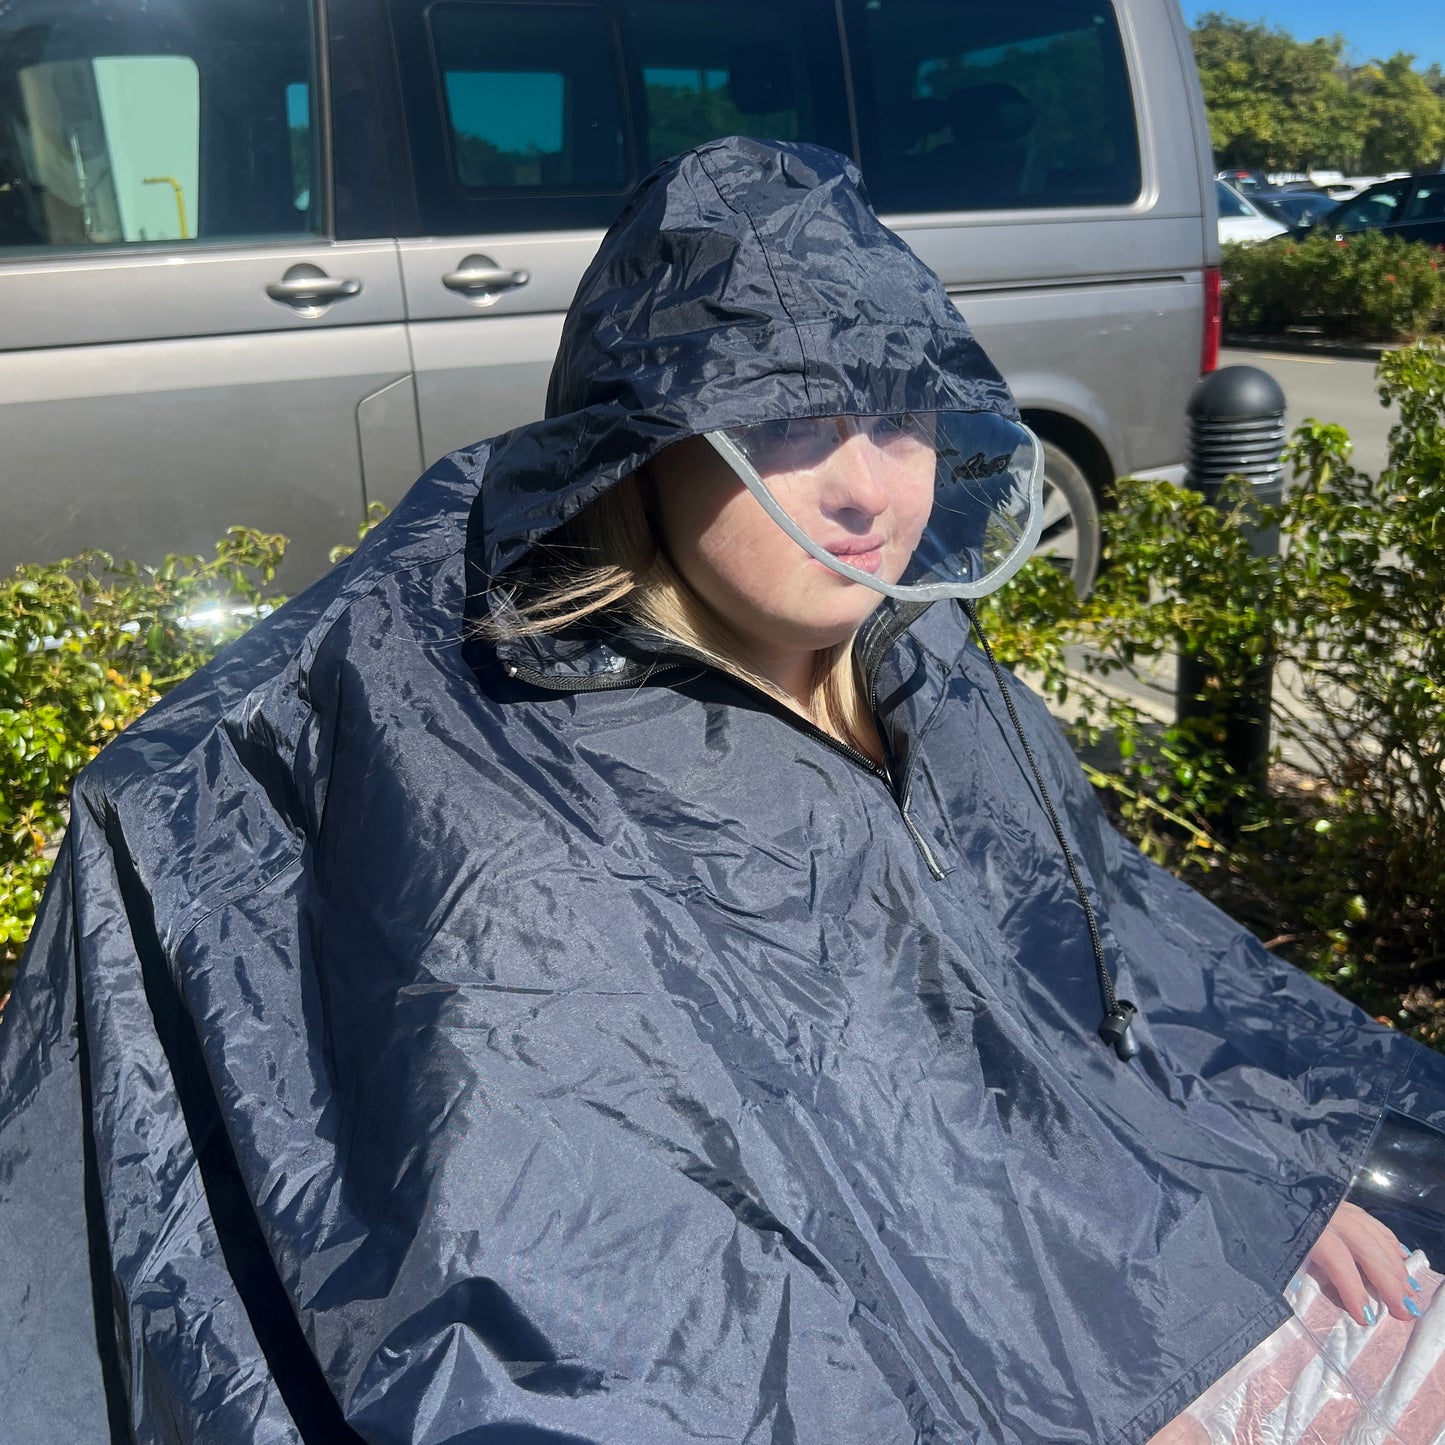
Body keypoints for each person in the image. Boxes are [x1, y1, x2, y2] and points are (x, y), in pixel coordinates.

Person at [2, 135, 1444, 1443]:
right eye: (787, 421)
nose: (867, 490)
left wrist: (1246, 1160)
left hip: (1112, 1252)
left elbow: (1086, 969)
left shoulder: (917, 657)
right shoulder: (515, 776)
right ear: (648, 445)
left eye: (898, 417)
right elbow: (614, 1273)